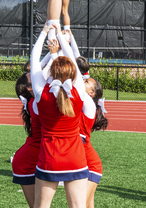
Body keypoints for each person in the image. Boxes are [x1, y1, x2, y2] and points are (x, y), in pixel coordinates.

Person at [30, 23, 89, 208]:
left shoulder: (41, 92)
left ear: (51, 71)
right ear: (73, 73)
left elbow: (34, 60)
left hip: (49, 158)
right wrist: (63, 39)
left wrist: (45, 33)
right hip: (76, 157)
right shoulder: (79, 90)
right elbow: (73, 58)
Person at [12, 72, 42, 208]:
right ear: (30, 88)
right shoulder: (36, 102)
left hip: (37, 158)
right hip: (27, 163)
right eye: (34, 78)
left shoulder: (37, 100)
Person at [81, 77, 108, 208]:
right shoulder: (79, 102)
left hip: (91, 166)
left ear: (91, 93)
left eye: (86, 82)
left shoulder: (89, 105)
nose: (82, 81)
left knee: (79, 204)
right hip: (81, 164)